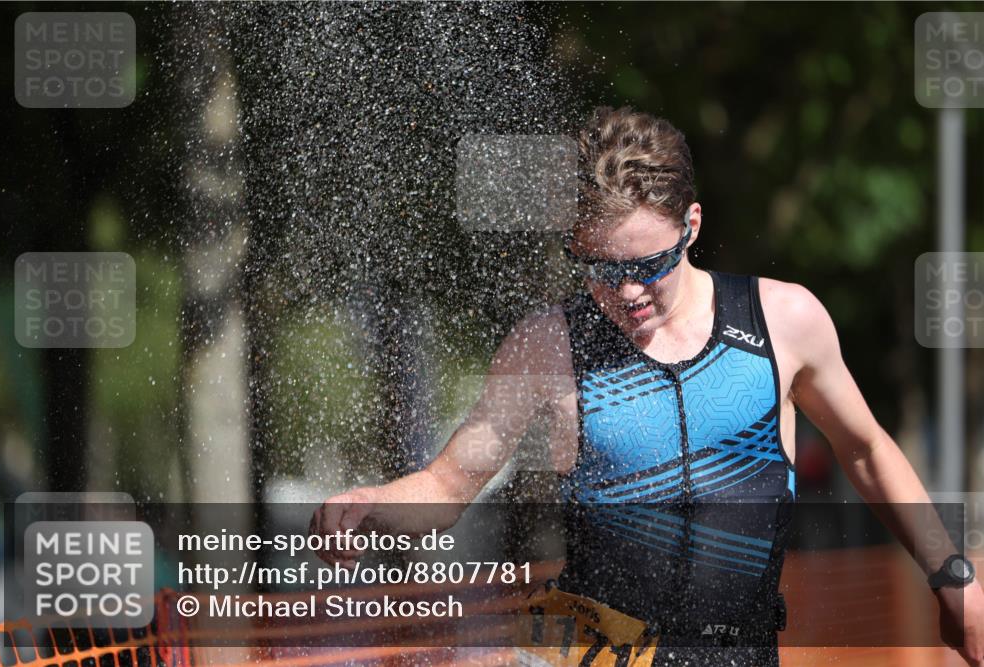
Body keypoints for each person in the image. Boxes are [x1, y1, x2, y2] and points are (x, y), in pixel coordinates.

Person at [311, 106, 984, 666]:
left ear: (691, 225)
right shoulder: (548, 344)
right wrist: (374, 502)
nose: (628, 292)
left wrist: (951, 573)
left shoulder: (784, 320)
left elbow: (864, 449)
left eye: (649, 264)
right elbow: (448, 483)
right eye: (601, 269)